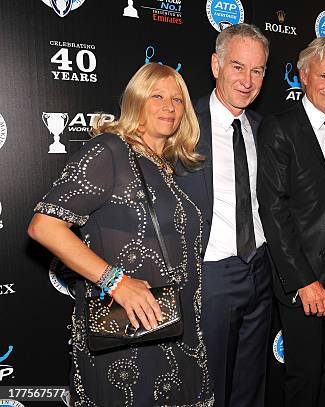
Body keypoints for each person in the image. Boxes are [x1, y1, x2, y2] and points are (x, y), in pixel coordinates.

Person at [27, 63, 214, 406]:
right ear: (136, 101)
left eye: (177, 99)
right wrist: (116, 281)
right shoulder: (110, 151)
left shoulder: (164, 164)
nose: (169, 106)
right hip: (126, 338)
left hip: (172, 332)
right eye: (157, 96)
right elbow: (44, 225)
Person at [257, 37, 325, 407]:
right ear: (303, 76)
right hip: (305, 272)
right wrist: (304, 280)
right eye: (323, 75)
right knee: (304, 374)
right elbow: (273, 211)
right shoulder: (280, 128)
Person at [174, 23, 272, 407]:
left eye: (258, 70)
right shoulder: (182, 124)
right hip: (209, 278)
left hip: (260, 271)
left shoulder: (263, 129)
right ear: (216, 65)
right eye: (238, 67)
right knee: (207, 389)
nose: (247, 81)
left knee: (251, 386)